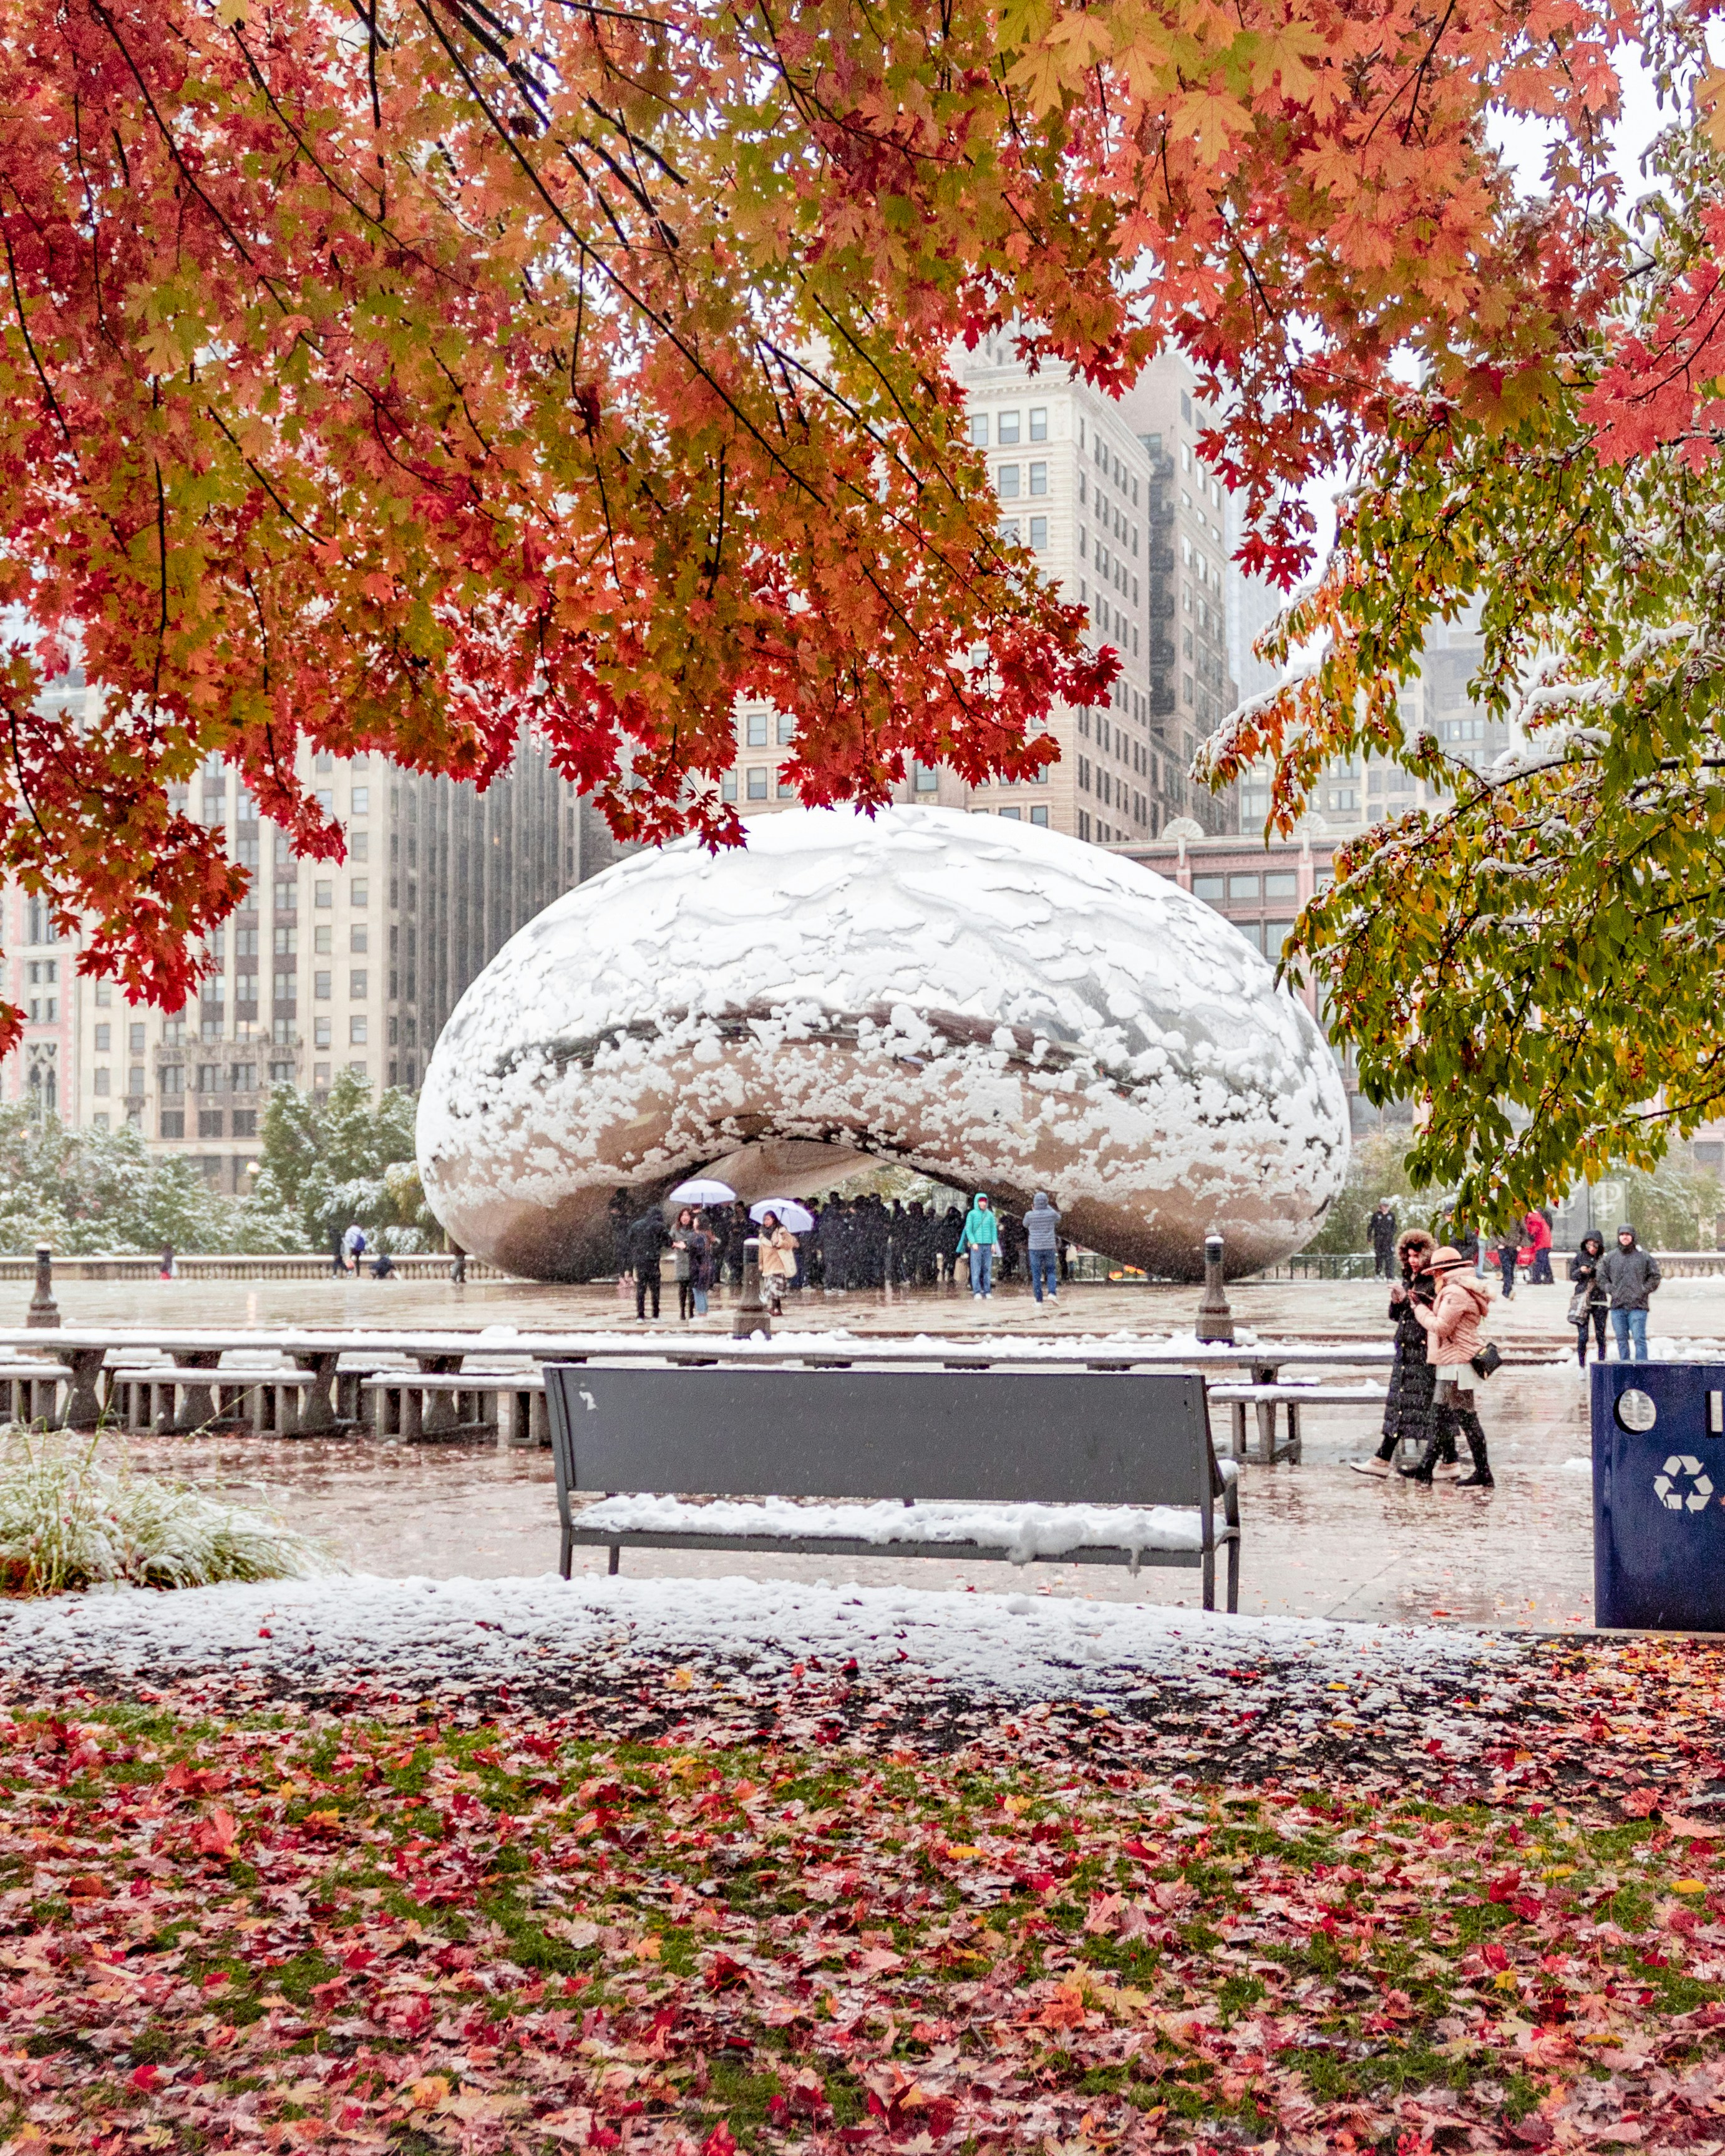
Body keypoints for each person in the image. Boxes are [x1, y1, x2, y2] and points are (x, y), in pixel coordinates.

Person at [1351, 1228, 1450, 1477]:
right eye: (1409, 1256)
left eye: (1417, 1256)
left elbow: (1429, 1314)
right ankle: (1449, 1459)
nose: (1413, 1261)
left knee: (1422, 1407)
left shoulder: (1433, 1282)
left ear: (1427, 1255)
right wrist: (1397, 1302)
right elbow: (1399, 1317)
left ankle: (1384, 1458)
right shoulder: (1411, 1279)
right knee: (1413, 1407)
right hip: (1406, 1353)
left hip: (1423, 1353)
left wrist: (1409, 1301)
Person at [1402, 1245, 1495, 1488]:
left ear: (1445, 1271)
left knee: (1466, 1418)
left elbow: (1442, 1327)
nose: (1433, 1277)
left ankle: (1484, 1472)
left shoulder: (1454, 1292)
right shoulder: (1458, 1290)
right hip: (1452, 1362)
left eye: (1435, 1273)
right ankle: (1426, 1467)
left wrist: (1419, 1308)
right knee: (1440, 1417)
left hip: (1457, 1363)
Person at [1596, 1224, 1661, 1361]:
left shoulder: (1644, 1257)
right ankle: (1624, 1366)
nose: (1625, 1237)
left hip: (1638, 1306)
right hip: (1618, 1306)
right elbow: (1601, 1277)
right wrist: (1610, 1289)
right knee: (1621, 1339)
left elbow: (1655, 1276)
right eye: (1622, 1234)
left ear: (1633, 1236)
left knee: (1639, 1339)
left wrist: (1643, 1290)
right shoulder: (1611, 1257)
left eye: (1628, 1234)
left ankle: (1641, 1367)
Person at [1568, 1230, 1609, 1367]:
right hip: (1583, 1301)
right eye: (1589, 1245)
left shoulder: (1604, 1260)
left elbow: (1608, 1278)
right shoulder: (1579, 1257)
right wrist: (1581, 1271)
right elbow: (1572, 1276)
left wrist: (1596, 1272)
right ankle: (1582, 1365)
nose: (1592, 1248)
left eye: (1595, 1245)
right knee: (1583, 1336)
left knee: (1600, 1335)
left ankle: (1602, 1364)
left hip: (1600, 1300)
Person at [626, 1206, 669, 1319]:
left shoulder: (636, 1225)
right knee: (655, 1289)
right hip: (653, 1261)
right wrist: (659, 1244)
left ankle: (640, 1315)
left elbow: (630, 1241)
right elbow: (668, 1242)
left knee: (641, 1289)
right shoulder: (660, 1226)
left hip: (640, 1261)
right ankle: (655, 1315)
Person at [958, 1192, 999, 1299]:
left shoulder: (990, 1215)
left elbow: (993, 1230)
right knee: (976, 1269)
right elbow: (969, 1230)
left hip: (988, 1245)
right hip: (976, 1245)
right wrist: (973, 1242)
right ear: (977, 1202)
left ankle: (987, 1291)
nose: (983, 1204)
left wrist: (993, 1243)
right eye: (981, 1201)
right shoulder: (971, 1214)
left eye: (984, 1201)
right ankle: (977, 1291)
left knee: (987, 1269)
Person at [1023, 1192, 1062, 1304]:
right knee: (1051, 1271)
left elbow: (1025, 1224)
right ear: (1046, 1202)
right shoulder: (1051, 1214)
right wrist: (1047, 1207)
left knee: (1036, 1274)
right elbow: (1059, 1218)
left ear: (1034, 1203)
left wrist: (1035, 1210)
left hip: (1035, 1248)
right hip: (1049, 1247)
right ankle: (1052, 1293)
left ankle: (1039, 1300)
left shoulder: (1030, 1215)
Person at [757, 1210, 797, 1314]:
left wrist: (779, 1242)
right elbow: (761, 1250)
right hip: (768, 1263)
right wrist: (760, 1263)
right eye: (765, 1219)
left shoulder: (782, 1231)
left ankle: (775, 1308)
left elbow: (790, 1244)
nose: (766, 1222)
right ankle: (777, 1308)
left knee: (775, 1287)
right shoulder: (762, 1234)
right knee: (771, 1288)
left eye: (768, 1219)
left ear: (773, 1219)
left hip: (778, 1263)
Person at [669, 1205, 699, 1321]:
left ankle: (691, 1312)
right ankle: (682, 1312)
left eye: (687, 1215)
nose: (685, 1218)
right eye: (683, 1215)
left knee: (692, 1289)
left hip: (692, 1261)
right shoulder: (675, 1228)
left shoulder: (694, 1228)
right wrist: (677, 1245)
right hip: (681, 1262)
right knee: (682, 1288)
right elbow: (669, 1241)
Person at [1525, 1207, 1555, 1286]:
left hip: (1541, 1243)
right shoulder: (1539, 1217)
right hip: (1546, 1242)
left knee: (1540, 1261)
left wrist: (1530, 1235)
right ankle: (1548, 1278)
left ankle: (1537, 1279)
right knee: (1544, 1261)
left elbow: (1534, 1229)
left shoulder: (1533, 1217)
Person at [1370, 1200, 1399, 1280]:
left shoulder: (1392, 1215)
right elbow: (1371, 1226)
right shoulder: (1376, 1215)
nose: (1385, 1207)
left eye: (1387, 1206)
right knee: (1379, 1257)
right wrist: (1369, 1237)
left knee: (1389, 1258)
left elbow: (1394, 1227)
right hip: (1379, 1240)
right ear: (1380, 1206)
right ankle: (1378, 1274)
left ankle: (1389, 1276)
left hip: (1388, 1240)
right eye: (1384, 1206)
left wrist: (1391, 1234)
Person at [1495, 1226, 1520, 1300]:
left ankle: (1507, 1287)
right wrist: (1497, 1243)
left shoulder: (1517, 1217)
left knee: (1511, 1268)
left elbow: (1523, 1231)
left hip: (1514, 1246)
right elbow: (1492, 1231)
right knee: (1507, 1268)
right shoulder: (1498, 1216)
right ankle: (1508, 1289)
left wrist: (1520, 1244)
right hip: (1503, 1247)